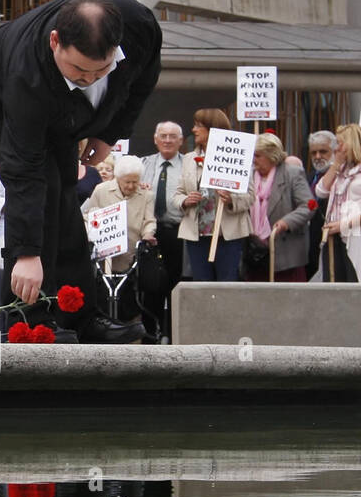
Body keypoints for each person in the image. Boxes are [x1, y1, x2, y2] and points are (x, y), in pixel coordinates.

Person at [0, 0, 158, 343]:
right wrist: (28, 253)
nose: (88, 80)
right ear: (54, 41)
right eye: (78, 69)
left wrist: (109, 133)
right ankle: (28, 318)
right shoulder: (27, 74)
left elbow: (140, 83)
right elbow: (24, 171)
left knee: (65, 186)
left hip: (61, 110)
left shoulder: (140, 28)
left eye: (101, 70)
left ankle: (81, 316)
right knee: (45, 184)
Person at [174, 108, 251, 282]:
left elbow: (250, 196)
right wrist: (185, 201)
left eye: (198, 126)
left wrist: (231, 199)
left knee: (227, 283)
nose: (193, 130)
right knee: (201, 284)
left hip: (227, 235)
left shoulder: (237, 156)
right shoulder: (189, 158)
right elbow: (178, 193)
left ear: (213, 129)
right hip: (197, 234)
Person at [81, 153, 156, 322]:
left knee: (129, 302)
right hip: (105, 258)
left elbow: (149, 221)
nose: (131, 186)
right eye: (127, 181)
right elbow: (85, 215)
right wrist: (93, 228)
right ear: (118, 178)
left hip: (131, 257)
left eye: (135, 182)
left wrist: (148, 235)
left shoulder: (146, 195)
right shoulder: (101, 190)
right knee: (103, 300)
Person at [243, 132, 314, 282]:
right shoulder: (248, 176)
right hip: (254, 253)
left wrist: (287, 222)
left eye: (258, 155)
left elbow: (309, 205)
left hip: (284, 252)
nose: (253, 160)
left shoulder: (292, 174)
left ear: (271, 156)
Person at [139, 121, 185, 341]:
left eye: (172, 136)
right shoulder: (143, 164)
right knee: (151, 285)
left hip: (178, 232)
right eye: (163, 136)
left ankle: (173, 334)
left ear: (180, 141)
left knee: (176, 284)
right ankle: (150, 334)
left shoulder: (189, 165)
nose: (167, 140)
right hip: (150, 233)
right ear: (155, 139)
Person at [314, 123, 361, 282]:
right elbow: (320, 191)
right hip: (334, 233)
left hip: (357, 234)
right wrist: (335, 165)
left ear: (353, 143)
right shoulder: (340, 169)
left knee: (354, 279)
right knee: (334, 279)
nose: (337, 148)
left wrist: (343, 224)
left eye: (341, 143)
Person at [304, 130, 336, 279]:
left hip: (331, 240)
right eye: (313, 153)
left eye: (323, 152)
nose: (317, 157)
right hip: (309, 245)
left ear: (335, 151)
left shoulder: (340, 177)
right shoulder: (306, 177)